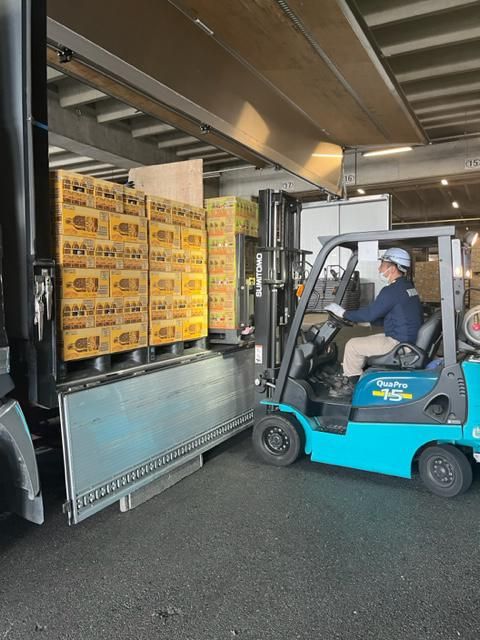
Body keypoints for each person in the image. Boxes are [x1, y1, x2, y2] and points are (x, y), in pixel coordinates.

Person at [324, 247, 423, 397]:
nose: (379, 268)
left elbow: (370, 313)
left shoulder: (391, 291)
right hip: (406, 339)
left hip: (398, 343)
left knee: (352, 345)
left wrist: (343, 313)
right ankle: (356, 374)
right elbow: (396, 314)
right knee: (364, 340)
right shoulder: (407, 287)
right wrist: (367, 322)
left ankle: (351, 385)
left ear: (392, 268)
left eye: (382, 265)